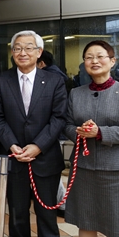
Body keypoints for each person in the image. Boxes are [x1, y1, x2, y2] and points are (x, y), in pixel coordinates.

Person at [0, 30, 67, 237]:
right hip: (14, 158)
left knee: (47, 217)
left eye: (28, 48)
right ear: (12, 52)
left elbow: (59, 118)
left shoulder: (55, 81)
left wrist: (38, 145)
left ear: (39, 52)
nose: (22, 52)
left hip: (45, 160)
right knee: (17, 216)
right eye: (17, 48)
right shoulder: (1, 80)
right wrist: (11, 145)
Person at [63, 40, 119, 237]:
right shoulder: (76, 93)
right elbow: (68, 125)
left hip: (115, 171)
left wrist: (100, 133)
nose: (94, 61)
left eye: (100, 56)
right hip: (83, 169)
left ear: (112, 61)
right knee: (85, 221)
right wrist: (79, 131)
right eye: (89, 57)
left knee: (116, 225)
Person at [37, 50, 68, 217]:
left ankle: (61, 204)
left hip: (53, 135)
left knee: (51, 175)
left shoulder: (54, 79)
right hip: (53, 135)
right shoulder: (58, 75)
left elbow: (58, 114)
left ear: (41, 63)